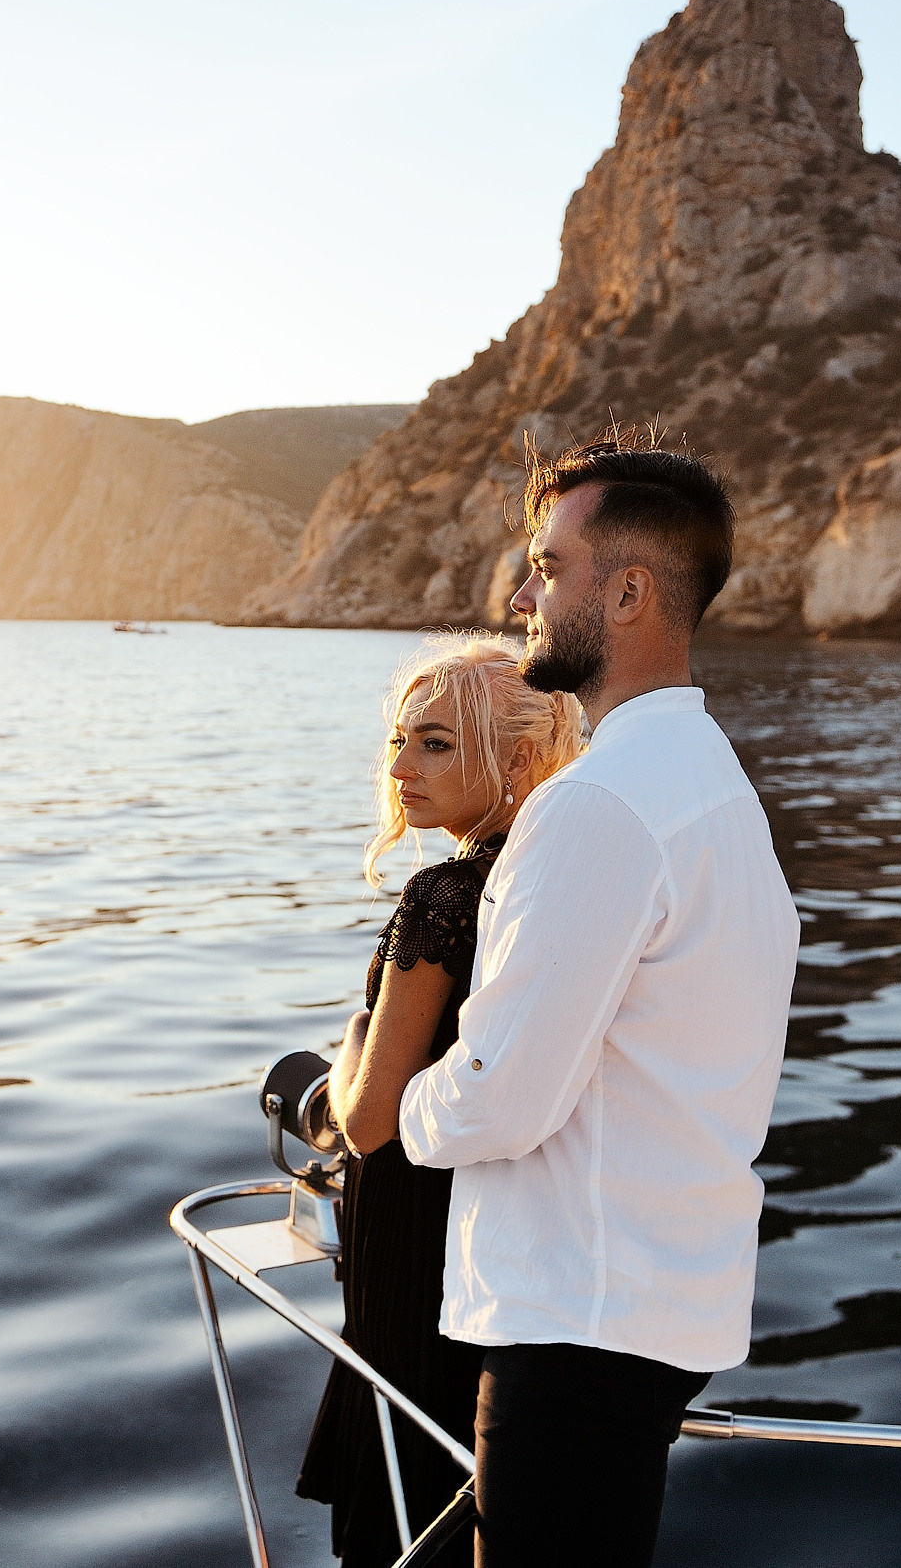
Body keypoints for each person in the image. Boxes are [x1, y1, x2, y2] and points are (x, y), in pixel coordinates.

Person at [395, 435, 800, 1567]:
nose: (520, 593)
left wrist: (397, 1109)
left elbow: (498, 1098)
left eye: (546, 564)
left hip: (575, 1324)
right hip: (665, 1308)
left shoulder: (595, 808)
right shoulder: (717, 788)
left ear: (627, 592)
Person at [295, 636, 585, 1567]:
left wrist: (346, 1047)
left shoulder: (444, 896)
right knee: (464, 1490)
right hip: (498, 1243)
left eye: (435, 743)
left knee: (392, 1502)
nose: (400, 767)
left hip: (413, 1240)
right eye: (398, 740)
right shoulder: (545, 881)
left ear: (518, 757)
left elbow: (369, 1119)